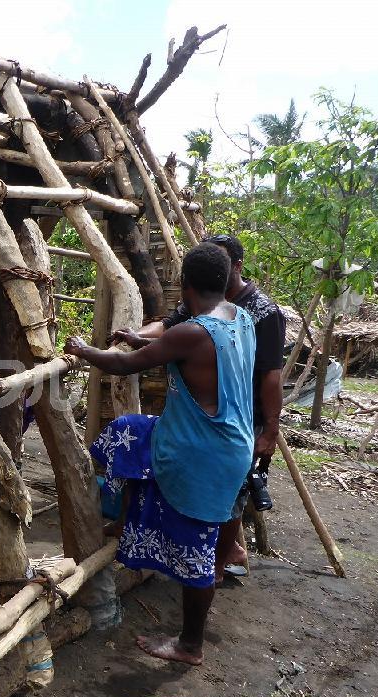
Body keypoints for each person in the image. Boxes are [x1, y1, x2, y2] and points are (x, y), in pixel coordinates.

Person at [64, 243, 255, 665]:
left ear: (185, 285)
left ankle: (190, 645)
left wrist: (81, 349)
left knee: (197, 551)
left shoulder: (193, 332)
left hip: (202, 452)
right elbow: (169, 348)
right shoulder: (239, 317)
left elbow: (123, 364)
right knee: (127, 432)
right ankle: (128, 516)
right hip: (228, 443)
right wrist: (138, 338)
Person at [109, 234, 285, 580]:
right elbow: (169, 329)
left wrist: (270, 428)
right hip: (204, 423)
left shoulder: (261, 312)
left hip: (240, 421)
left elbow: (271, 377)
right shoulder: (215, 308)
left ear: (236, 267)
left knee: (227, 498)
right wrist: (139, 337)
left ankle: (215, 565)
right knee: (213, 490)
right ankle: (190, 551)